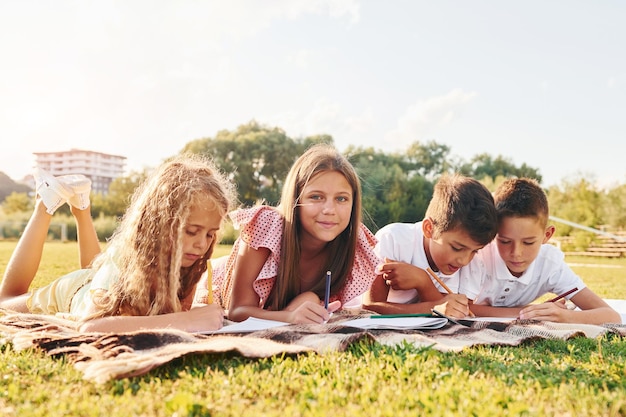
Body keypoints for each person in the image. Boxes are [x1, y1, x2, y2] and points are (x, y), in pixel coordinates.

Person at [0, 153, 236, 333]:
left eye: (209, 234)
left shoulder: (190, 263)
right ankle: (45, 203)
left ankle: (82, 208)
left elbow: (174, 312)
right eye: (192, 231)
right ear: (160, 225)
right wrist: (186, 320)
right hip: (71, 292)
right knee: (6, 300)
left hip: (95, 284)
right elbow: (91, 328)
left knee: (94, 268)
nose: (201, 244)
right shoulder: (125, 261)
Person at [198, 144, 380, 324]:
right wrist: (289, 317)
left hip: (283, 309)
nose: (329, 210)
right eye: (316, 197)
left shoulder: (352, 242)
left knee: (309, 298)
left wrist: (300, 311)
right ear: (295, 199)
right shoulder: (266, 227)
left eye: (341, 199)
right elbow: (238, 311)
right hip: (217, 292)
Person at [459, 177, 620, 324]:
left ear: (547, 235)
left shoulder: (550, 263)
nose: (516, 252)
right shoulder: (479, 254)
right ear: (494, 234)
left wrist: (565, 317)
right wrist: (527, 312)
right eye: (505, 241)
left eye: (528, 242)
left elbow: (611, 316)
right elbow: (464, 308)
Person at [362, 174, 498, 318]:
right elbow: (370, 308)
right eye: (457, 248)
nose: (464, 261)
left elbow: (452, 313)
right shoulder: (393, 240)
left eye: (475, 251)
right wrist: (434, 307)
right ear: (429, 229)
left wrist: (423, 282)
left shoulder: (472, 265)